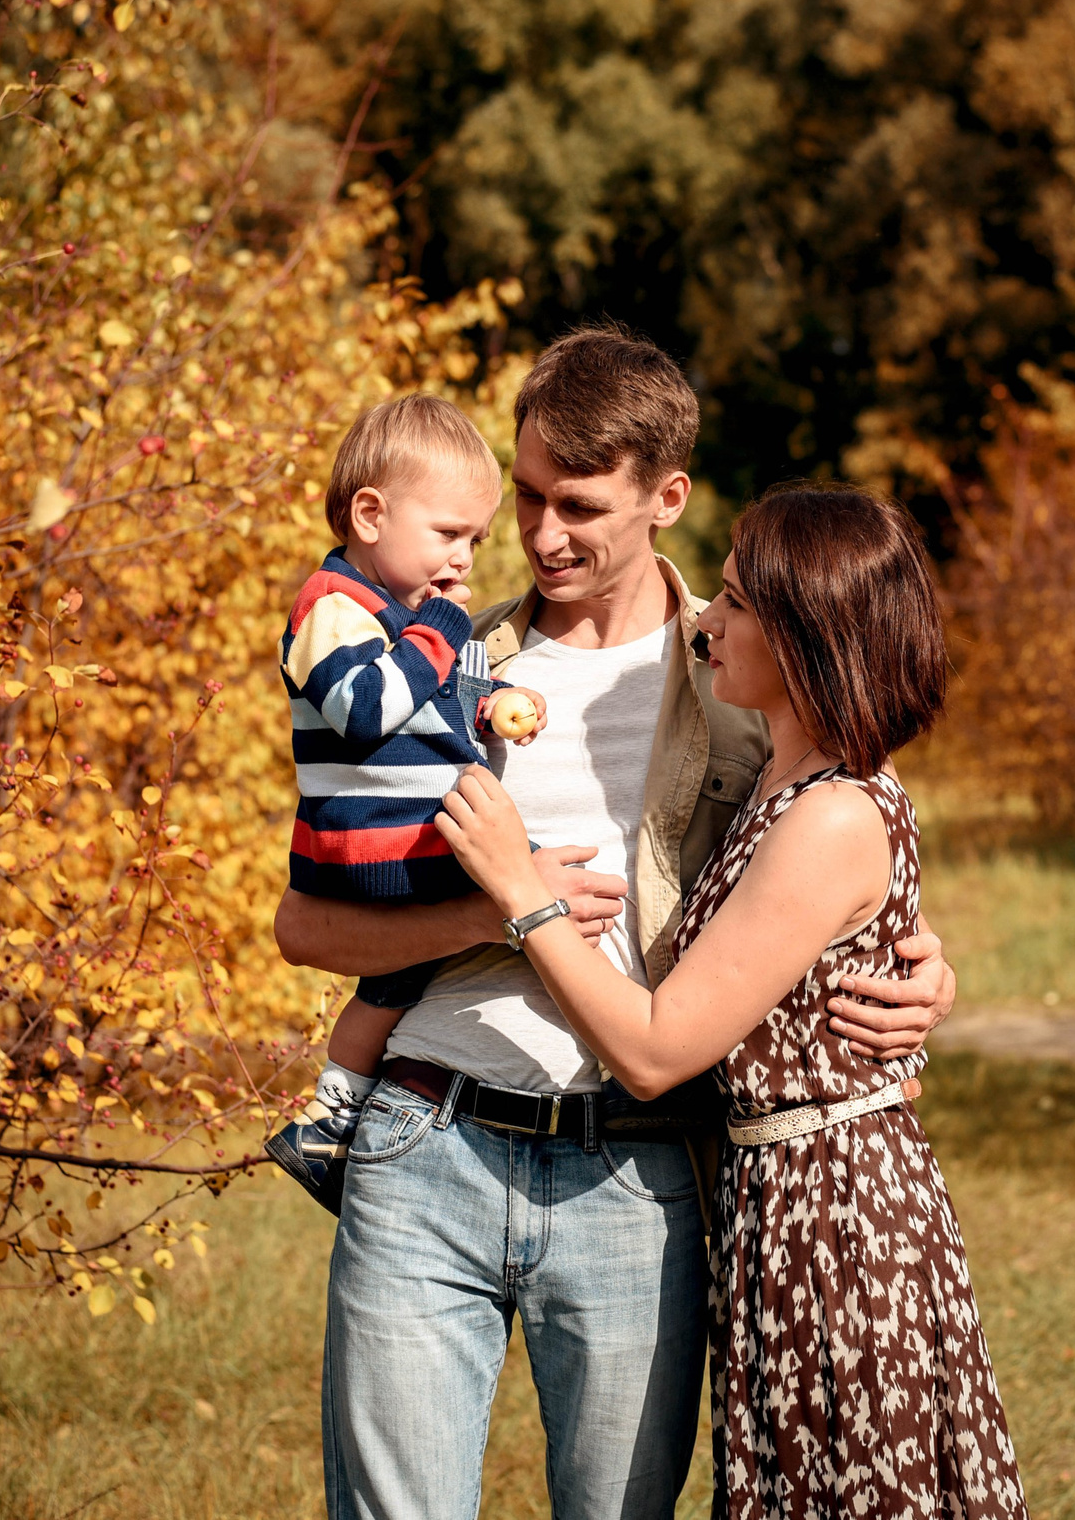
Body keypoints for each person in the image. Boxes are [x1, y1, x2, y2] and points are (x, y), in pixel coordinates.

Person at [272, 328, 959, 1520]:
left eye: (578, 505)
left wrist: (921, 973)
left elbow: (828, 871)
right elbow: (305, 924)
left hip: (636, 1178)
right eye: (526, 497)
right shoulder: (435, 656)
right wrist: (493, 915)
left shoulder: (746, 684)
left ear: (667, 498)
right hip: (423, 1141)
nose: (542, 536)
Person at [435, 482, 1027, 1520]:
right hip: (776, 1202)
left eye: (743, 604)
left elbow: (659, 1049)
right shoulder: (778, 781)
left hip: (837, 1224)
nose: (709, 617)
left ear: (811, 638)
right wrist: (929, 967)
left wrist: (519, 892)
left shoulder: (829, 812)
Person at [263, 393, 549, 1211]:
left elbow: (427, 705)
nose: (463, 559)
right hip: (378, 845)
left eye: (476, 540)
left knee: (391, 989)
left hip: (401, 839)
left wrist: (490, 701)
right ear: (370, 514)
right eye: (447, 534)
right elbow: (363, 708)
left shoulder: (402, 615)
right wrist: (440, 637)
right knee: (538, 883)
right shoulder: (331, 606)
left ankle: (327, 1124)